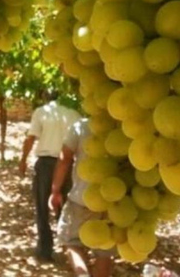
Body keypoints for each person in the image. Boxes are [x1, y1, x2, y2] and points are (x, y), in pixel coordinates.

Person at [18, 90, 81, 262]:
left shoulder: (41, 112)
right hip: (67, 164)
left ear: (46, 97)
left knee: (42, 206)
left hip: (46, 164)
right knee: (65, 206)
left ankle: (45, 249)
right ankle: (70, 249)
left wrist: (23, 159)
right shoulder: (74, 114)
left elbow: (31, 138)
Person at [50, 118, 114, 277]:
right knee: (105, 250)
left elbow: (65, 159)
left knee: (71, 242)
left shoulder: (81, 126)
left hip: (82, 198)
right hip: (113, 201)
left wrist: (55, 189)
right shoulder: (121, 127)